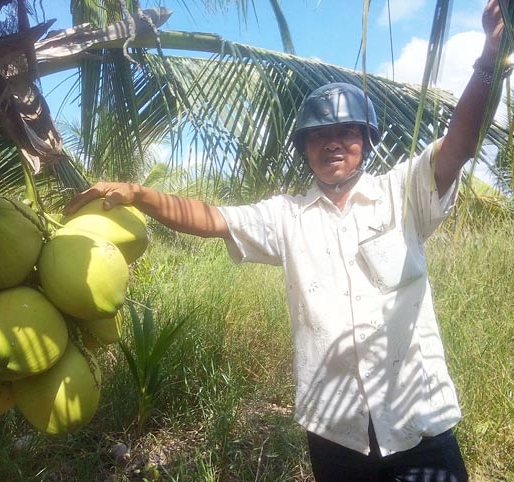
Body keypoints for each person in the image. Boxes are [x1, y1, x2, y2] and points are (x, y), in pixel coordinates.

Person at [65, 1, 510, 480]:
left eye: (346, 132)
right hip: (337, 435)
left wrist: (489, 59)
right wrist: (138, 194)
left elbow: (459, 145)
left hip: (419, 428)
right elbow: (211, 218)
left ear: (366, 140)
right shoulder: (286, 217)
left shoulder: (403, 193)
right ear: (304, 149)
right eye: (318, 135)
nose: (332, 143)